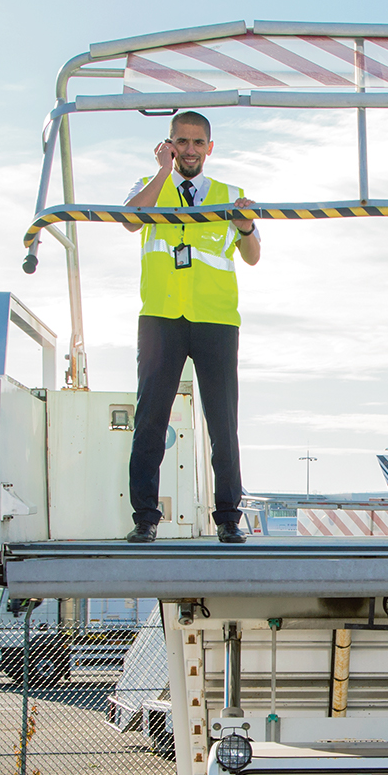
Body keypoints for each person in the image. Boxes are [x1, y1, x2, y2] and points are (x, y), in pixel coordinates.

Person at [124, 111, 261, 544]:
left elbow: (253, 255)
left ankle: (227, 518)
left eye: (197, 143)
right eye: (180, 142)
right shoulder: (150, 187)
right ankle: (145, 518)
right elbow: (130, 219)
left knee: (223, 423)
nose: (189, 150)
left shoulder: (230, 195)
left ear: (209, 148)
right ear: (168, 144)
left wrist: (247, 226)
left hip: (215, 319)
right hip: (161, 319)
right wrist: (161, 172)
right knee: (150, 421)